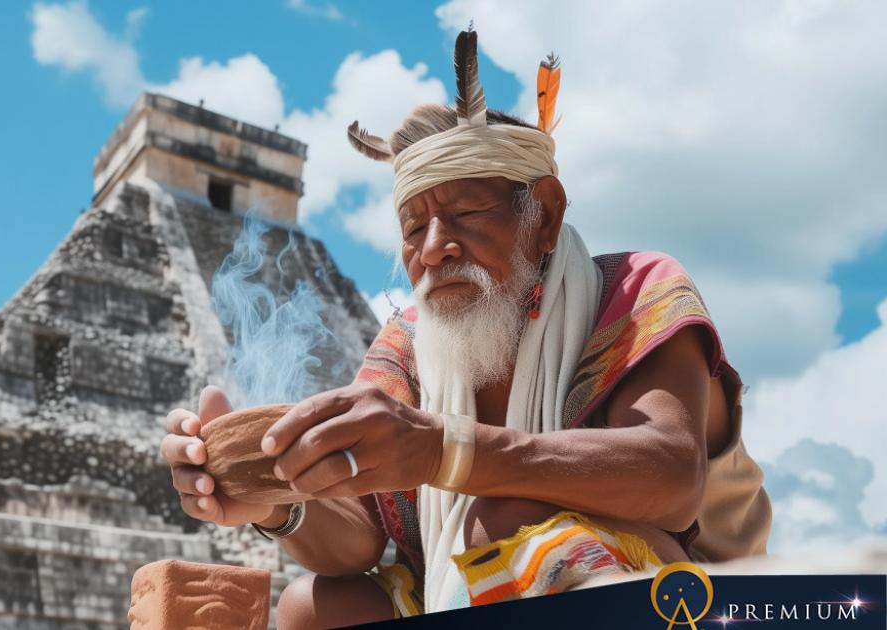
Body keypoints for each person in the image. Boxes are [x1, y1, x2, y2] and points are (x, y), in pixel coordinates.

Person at [160, 26, 771, 628]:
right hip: (474, 590)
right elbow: (357, 542)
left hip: (693, 600)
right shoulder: (406, 346)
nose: (433, 250)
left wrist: (443, 450)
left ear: (546, 215)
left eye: (466, 214)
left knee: (507, 522)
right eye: (412, 229)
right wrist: (276, 500)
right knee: (316, 606)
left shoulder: (638, 290)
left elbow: (670, 475)